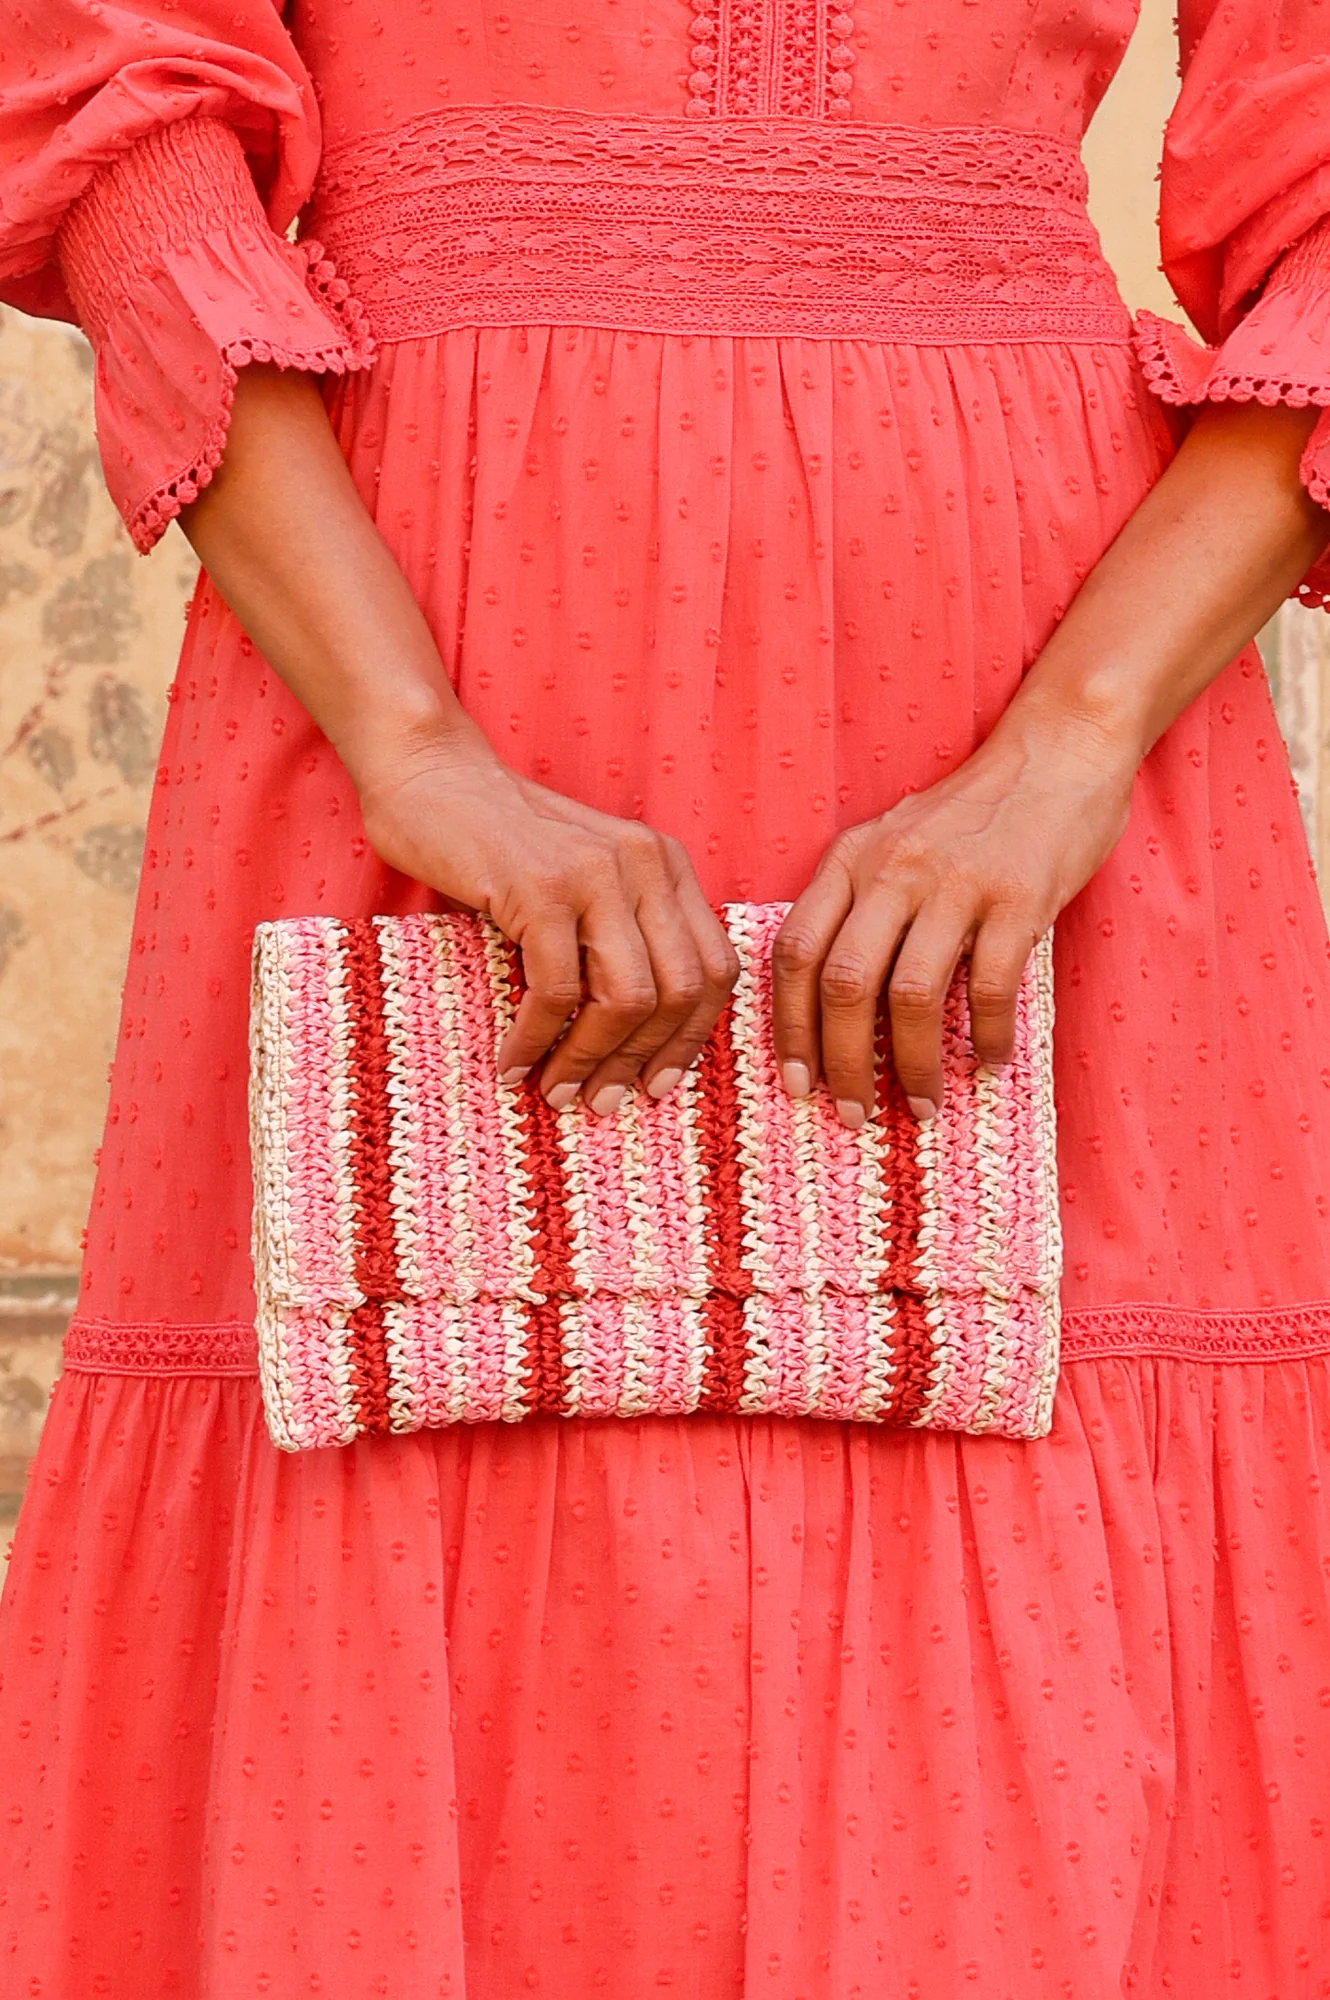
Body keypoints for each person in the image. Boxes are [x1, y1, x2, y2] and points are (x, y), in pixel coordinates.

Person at [2, 2, 1330, 1992]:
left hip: (1035, 689)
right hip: (415, 629)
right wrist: (411, 738)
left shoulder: (1063, 748)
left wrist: (1067, 743)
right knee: (420, 1409)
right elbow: (116, 112)